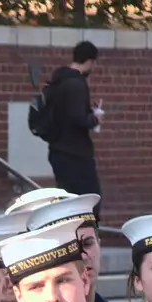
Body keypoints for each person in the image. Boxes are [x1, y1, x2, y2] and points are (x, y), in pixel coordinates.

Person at [39, 41, 102, 198]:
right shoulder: (77, 84)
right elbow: (78, 118)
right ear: (89, 61)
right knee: (90, 199)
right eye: (93, 63)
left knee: (67, 200)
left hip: (57, 150)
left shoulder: (58, 81)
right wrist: (95, 118)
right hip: (75, 154)